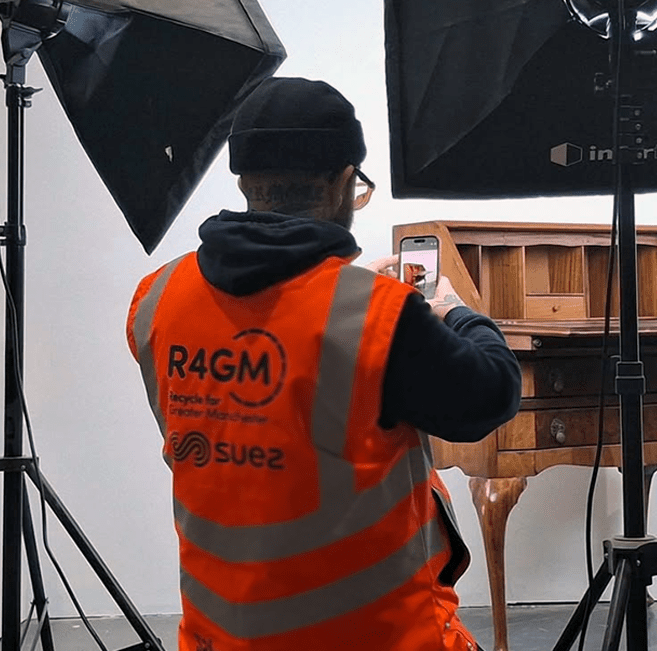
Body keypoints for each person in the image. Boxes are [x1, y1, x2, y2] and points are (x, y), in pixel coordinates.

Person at [126, 77, 522, 651]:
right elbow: (490, 395)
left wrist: (365, 303)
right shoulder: (379, 317)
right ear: (342, 181)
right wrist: (454, 314)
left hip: (220, 637)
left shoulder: (158, 298)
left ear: (243, 180)